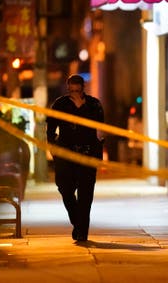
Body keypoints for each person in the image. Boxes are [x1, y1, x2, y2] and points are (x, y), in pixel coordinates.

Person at [46, 74, 104, 242]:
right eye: (72, 91)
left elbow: (100, 128)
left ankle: (81, 231)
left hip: (87, 153)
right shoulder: (60, 104)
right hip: (66, 154)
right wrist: (54, 150)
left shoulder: (94, 104)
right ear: (68, 89)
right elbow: (51, 131)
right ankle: (78, 223)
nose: (76, 94)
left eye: (78, 90)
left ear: (83, 88)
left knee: (86, 195)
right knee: (65, 189)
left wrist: (98, 149)